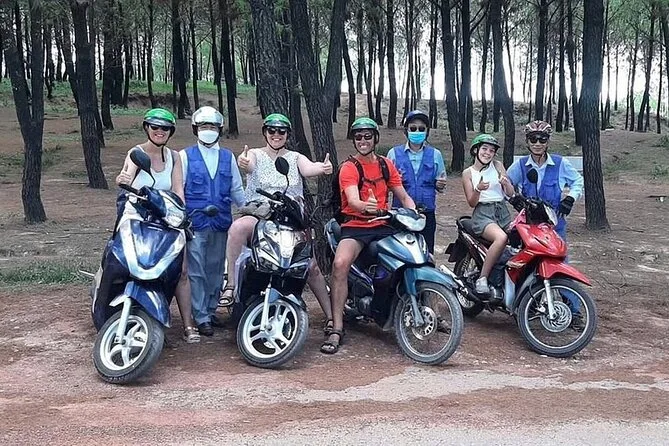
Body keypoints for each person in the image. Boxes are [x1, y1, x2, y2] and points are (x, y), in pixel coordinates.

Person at [222, 113, 334, 330]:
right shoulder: (254, 154)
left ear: (287, 135)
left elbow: (309, 169)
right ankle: (231, 284)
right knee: (237, 228)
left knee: (311, 266)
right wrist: (243, 161)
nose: (276, 134)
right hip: (260, 214)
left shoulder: (295, 157)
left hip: (290, 219)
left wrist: (322, 168)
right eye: (271, 130)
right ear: (265, 132)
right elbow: (248, 163)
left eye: (281, 131)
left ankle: (332, 317)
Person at [323, 117, 416, 355]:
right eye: (358, 137)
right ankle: (336, 327)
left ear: (375, 138)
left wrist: (413, 212)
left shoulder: (386, 164)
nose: (363, 141)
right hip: (356, 225)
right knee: (340, 264)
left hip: (384, 224)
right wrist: (368, 207)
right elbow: (353, 201)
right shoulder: (349, 167)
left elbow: (403, 196)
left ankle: (429, 307)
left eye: (367, 136)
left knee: (417, 256)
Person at [115, 108, 200, 344]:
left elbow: (178, 189)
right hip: (138, 216)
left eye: (165, 128)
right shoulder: (136, 152)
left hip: (166, 218)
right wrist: (122, 180)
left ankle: (188, 323)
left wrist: (181, 217)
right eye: (155, 127)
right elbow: (125, 176)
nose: (159, 131)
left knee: (182, 269)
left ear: (171, 131)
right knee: (128, 261)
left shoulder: (174, 157)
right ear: (147, 128)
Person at [506, 120, 585, 329]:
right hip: (529, 226)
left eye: (542, 139)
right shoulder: (520, 166)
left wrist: (571, 198)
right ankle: (526, 306)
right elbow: (505, 183)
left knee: (560, 265)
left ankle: (573, 310)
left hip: (554, 226)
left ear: (548, 141)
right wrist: (513, 198)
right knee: (525, 264)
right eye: (533, 139)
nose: (538, 143)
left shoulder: (560, 163)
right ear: (527, 141)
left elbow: (578, 181)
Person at [180, 106, 245, 337]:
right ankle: (200, 316)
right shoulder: (185, 156)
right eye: (204, 126)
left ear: (220, 129)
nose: (208, 130)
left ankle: (210, 309)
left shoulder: (228, 157)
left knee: (217, 268)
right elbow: (179, 189)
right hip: (195, 222)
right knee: (196, 270)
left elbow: (237, 189)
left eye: (213, 126)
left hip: (221, 222)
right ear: (195, 129)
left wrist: (248, 209)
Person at [387, 110, 447, 254]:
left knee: (427, 252)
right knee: (400, 253)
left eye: (421, 128)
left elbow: (440, 182)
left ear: (427, 131)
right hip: (400, 213)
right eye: (413, 128)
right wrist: (393, 182)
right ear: (406, 130)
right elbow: (385, 186)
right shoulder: (393, 154)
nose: (417, 132)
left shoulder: (436, 155)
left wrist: (440, 185)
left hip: (426, 213)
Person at [461, 134, 515, 294]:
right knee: (501, 238)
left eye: (491, 150)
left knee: (521, 237)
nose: (488, 153)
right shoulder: (468, 173)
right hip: (483, 214)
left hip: (502, 211)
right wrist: (478, 189)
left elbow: (510, 193)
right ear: (476, 150)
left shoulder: (498, 165)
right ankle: (482, 278)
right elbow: (471, 202)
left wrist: (506, 183)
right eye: (484, 149)